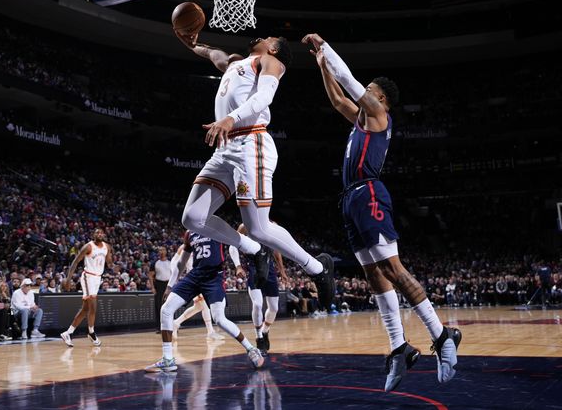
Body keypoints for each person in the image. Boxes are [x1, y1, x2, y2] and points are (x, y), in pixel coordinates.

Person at [304, 33, 462, 390]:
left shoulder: (377, 114)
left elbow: (348, 83)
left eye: (369, 89)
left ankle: (441, 336)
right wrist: (321, 67)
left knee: (393, 268)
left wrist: (326, 49)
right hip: (350, 198)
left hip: (369, 193)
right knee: (374, 276)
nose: (364, 93)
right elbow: (337, 98)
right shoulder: (360, 116)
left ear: (381, 98)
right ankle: (399, 348)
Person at [174, 30, 335, 308]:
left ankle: (318, 269)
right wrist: (192, 45)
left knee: (258, 228)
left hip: (251, 141)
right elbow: (215, 54)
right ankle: (251, 249)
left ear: (274, 49)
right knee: (192, 217)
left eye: (270, 38)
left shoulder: (272, 63)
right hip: (225, 147)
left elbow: (263, 99)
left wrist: (229, 118)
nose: (264, 36)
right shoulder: (238, 62)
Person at [144, 230, 263, 372]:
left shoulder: (215, 226)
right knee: (166, 309)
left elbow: (234, 244)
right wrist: (170, 285)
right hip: (194, 276)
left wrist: (238, 265)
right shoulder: (189, 233)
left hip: (213, 277)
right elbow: (182, 262)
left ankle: (251, 349)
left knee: (219, 318)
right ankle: (168, 360)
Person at [229, 223, 288, 354]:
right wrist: (238, 266)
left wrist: (282, 271)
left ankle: (265, 331)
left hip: (269, 267)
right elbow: (233, 245)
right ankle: (259, 337)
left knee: (274, 308)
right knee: (257, 303)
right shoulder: (245, 226)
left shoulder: (273, 225)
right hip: (253, 267)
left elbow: (277, 251)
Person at [61, 228, 112, 347]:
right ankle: (91, 332)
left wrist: (111, 262)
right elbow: (75, 262)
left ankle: (68, 332)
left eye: (101, 232)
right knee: (93, 306)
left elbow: (108, 261)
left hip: (98, 278)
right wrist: (68, 279)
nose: (99, 234)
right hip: (88, 277)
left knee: (86, 309)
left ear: (103, 235)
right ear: (93, 235)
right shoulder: (88, 247)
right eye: (97, 232)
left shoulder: (107, 247)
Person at [168, 241, 224, 341]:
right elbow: (175, 263)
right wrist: (176, 278)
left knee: (199, 306)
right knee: (203, 305)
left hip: (199, 277)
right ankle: (210, 332)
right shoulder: (185, 247)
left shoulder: (200, 245)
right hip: (192, 279)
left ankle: (176, 323)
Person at [149, 247, 172, 334]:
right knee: (158, 306)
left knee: (170, 306)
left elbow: (174, 274)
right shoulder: (155, 263)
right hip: (159, 285)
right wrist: (152, 287)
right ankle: (159, 327)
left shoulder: (170, 262)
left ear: (166, 251)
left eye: (163, 250)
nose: (161, 251)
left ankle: (171, 326)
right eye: (159, 250)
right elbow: (150, 276)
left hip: (168, 285)